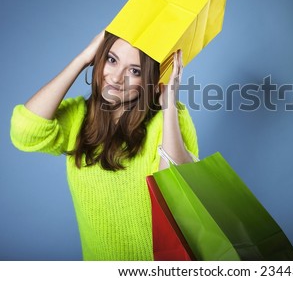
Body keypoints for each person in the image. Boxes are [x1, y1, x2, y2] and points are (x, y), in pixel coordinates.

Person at [10, 30, 198, 260]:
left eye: (134, 71)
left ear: (150, 78)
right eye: (111, 59)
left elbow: (173, 197)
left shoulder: (169, 120)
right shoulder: (79, 116)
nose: (117, 78)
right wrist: (82, 59)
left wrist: (168, 104)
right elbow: (24, 132)